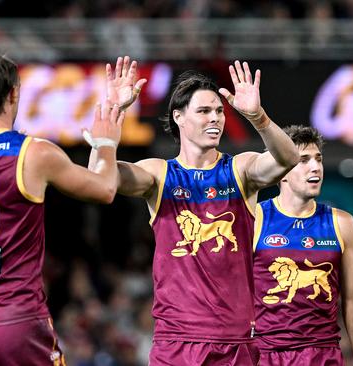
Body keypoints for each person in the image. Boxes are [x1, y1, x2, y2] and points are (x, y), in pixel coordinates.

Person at [0, 52, 126, 366]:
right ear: (14, 93)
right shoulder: (35, 153)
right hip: (17, 319)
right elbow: (106, 189)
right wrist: (106, 144)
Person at [94, 56, 300, 365]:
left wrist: (259, 117)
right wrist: (114, 112)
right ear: (179, 117)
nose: (215, 118)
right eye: (204, 111)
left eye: (219, 111)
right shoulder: (160, 175)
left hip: (237, 340)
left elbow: (288, 159)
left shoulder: (240, 169)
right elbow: (98, 180)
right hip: (176, 341)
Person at [251, 125, 353, 365]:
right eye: (303, 160)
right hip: (264, 356)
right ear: (282, 170)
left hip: (322, 355)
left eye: (318, 159)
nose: (315, 167)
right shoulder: (255, 219)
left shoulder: (342, 223)